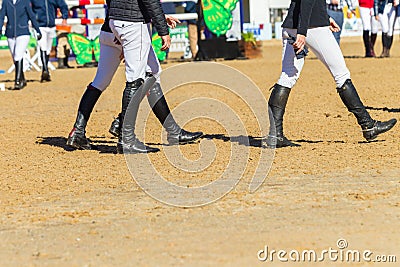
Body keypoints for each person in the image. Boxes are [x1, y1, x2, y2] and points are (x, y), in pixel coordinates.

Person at [67, 0, 203, 153]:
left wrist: (118, 23)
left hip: (112, 25)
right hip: (133, 25)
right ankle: (127, 137)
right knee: (139, 79)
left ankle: (79, 131)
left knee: (101, 81)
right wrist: (163, 31)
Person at [265, 0, 397, 148]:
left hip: (291, 26)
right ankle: (368, 125)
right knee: (341, 75)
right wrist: (303, 32)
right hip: (311, 28)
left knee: (287, 75)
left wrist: (325, 17)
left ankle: (275, 134)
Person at [0, 0, 42, 90]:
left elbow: (31, 15)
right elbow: (1, 16)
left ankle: (17, 81)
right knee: (15, 57)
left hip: (23, 32)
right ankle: (22, 79)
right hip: (10, 33)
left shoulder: (24, 1)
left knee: (18, 55)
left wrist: (37, 30)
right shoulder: (6, 2)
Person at [30, 0, 69, 82]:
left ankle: (45, 69)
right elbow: (28, 7)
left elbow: (62, 5)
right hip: (39, 26)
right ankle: (45, 70)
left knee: (48, 49)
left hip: (51, 25)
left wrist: (64, 16)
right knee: (42, 46)